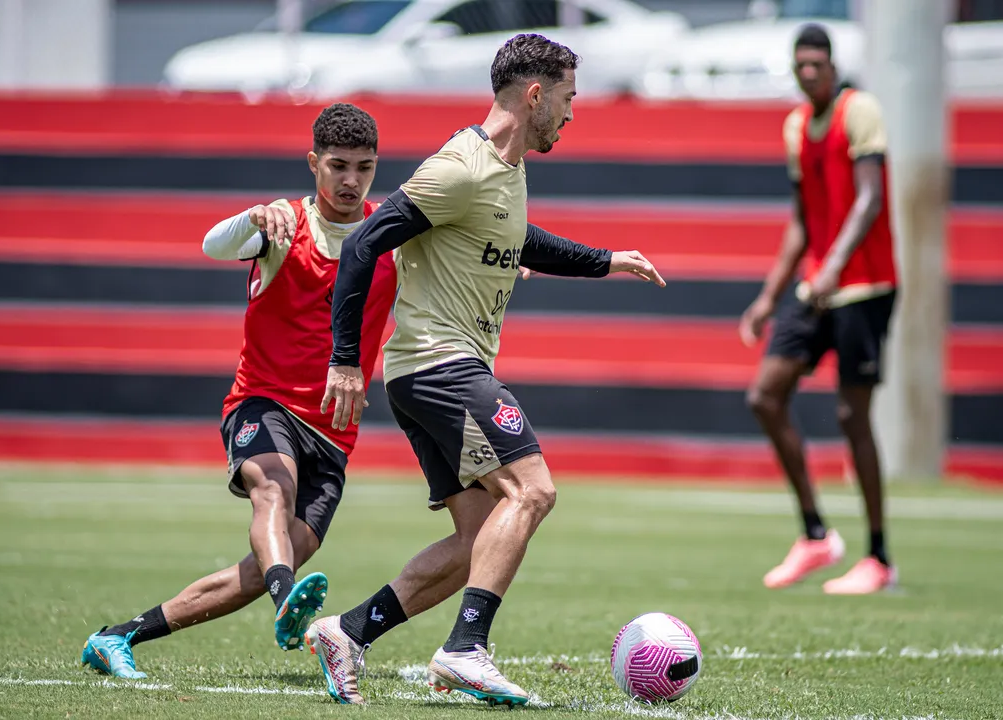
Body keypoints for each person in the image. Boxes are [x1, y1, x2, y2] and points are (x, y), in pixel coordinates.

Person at [306, 33, 666, 706]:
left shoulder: (506, 171)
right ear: (534, 95)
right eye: (567, 98)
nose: (571, 113)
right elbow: (363, 243)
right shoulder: (461, 166)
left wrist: (606, 259)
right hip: (440, 365)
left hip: (428, 373)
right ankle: (466, 648)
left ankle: (348, 633)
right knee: (532, 491)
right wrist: (346, 361)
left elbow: (516, 236)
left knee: (478, 539)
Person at [80, 103, 399, 678]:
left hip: (333, 433)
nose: (351, 180)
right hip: (264, 402)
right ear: (313, 164)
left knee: (260, 567)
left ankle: (118, 637)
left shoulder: (389, 236)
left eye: (364, 167)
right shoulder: (282, 226)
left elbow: (460, 253)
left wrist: (502, 265)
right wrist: (254, 216)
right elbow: (211, 244)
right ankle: (289, 605)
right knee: (271, 494)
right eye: (338, 166)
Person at [739, 24, 898, 595]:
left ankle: (879, 557)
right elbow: (803, 220)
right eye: (800, 65)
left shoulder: (861, 111)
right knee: (765, 396)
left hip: (866, 286)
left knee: (853, 417)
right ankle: (815, 535)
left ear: (832, 66)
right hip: (816, 290)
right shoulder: (796, 127)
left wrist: (835, 266)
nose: (809, 74)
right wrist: (767, 296)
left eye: (817, 65)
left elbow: (870, 198)